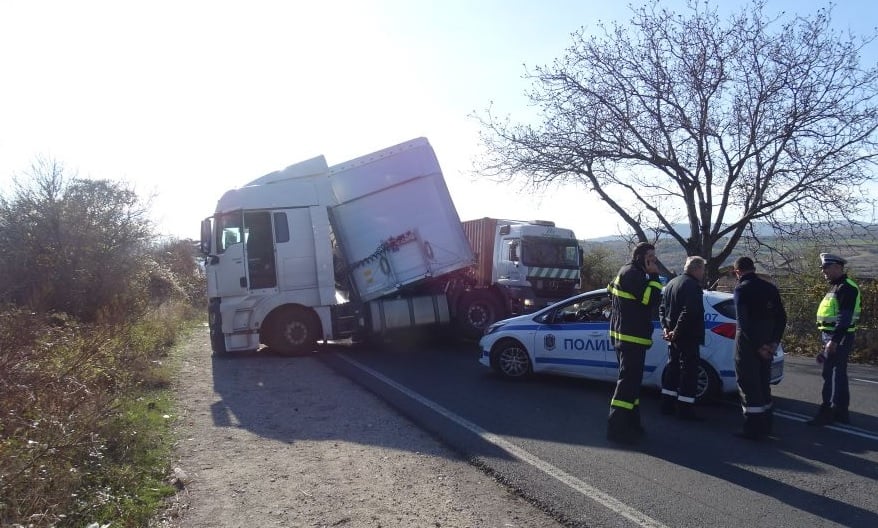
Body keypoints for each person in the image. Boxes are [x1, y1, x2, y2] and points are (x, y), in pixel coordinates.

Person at [607, 242, 663, 445]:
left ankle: (632, 423)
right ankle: (616, 428)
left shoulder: (627, 271)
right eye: (650, 257)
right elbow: (651, 300)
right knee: (627, 384)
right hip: (631, 338)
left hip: (626, 336)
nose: (653, 260)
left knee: (631, 384)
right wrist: (655, 276)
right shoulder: (633, 274)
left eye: (654, 257)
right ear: (640, 256)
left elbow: (609, 290)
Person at [732, 257, 787, 441]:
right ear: (753, 268)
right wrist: (773, 343)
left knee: (748, 383)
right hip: (768, 342)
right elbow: (782, 318)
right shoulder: (770, 288)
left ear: (737, 271)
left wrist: (758, 346)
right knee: (764, 383)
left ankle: (753, 428)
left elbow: (743, 322)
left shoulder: (741, 289)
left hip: (749, 344)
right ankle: (767, 423)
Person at [808, 253, 862, 426]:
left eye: (826, 267)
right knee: (838, 374)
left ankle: (827, 413)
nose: (823, 271)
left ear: (838, 267)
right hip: (834, 336)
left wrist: (834, 340)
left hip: (838, 337)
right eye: (822, 268)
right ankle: (840, 412)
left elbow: (844, 318)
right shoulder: (836, 286)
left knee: (831, 375)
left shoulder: (846, 287)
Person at [659, 256, 706, 421]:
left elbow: (662, 308)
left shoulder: (672, 283)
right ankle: (685, 410)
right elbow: (689, 312)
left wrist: (666, 328)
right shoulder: (692, 286)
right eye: (702, 270)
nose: (703, 274)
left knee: (672, 369)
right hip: (687, 336)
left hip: (673, 336)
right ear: (697, 269)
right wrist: (676, 332)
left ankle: (667, 405)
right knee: (689, 372)